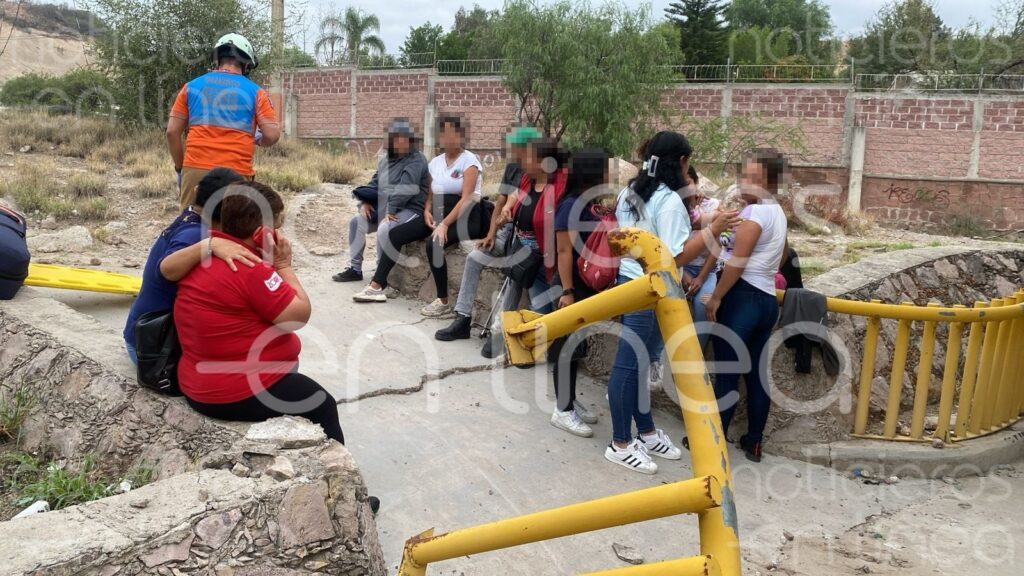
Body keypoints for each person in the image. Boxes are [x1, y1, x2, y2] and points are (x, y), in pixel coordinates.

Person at [605, 131, 736, 475]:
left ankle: (645, 431)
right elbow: (674, 257)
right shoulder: (670, 201)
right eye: (688, 161)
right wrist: (714, 229)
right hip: (649, 288)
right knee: (630, 364)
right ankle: (620, 442)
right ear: (680, 163)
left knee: (641, 362)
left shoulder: (630, 192)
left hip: (631, 283)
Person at [173, 181, 344, 444]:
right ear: (260, 233)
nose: (280, 232)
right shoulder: (250, 269)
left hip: (199, 380)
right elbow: (298, 316)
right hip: (232, 392)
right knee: (323, 405)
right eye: (276, 226)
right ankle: (340, 478)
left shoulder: (201, 254)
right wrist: (283, 265)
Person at [705, 149, 790, 463]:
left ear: (770, 182)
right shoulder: (777, 213)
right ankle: (754, 442)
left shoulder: (754, 215)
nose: (745, 181)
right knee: (755, 375)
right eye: (744, 174)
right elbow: (783, 255)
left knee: (727, 372)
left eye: (754, 177)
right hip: (766, 300)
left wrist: (716, 297)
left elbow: (737, 261)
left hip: (742, 298)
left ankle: (714, 442)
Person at [123, 168, 259, 364]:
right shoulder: (195, 234)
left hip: (144, 337)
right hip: (154, 351)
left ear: (196, 191)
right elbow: (166, 269)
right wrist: (210, 244)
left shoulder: (189, 216)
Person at [434, 126, 541, 346]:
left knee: (514, 273)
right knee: (474, 257)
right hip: (506, 231)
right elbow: (501, 202)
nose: (511, 152)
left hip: (528, 239)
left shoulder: (540, 172)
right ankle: (462, 318)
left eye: (516, 148)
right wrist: (491, 234)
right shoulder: (513, 168)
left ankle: (499, 332)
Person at [167, 34, 280, 208]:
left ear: (217, 60)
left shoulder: (191, 87)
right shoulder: (257, 92)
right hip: (237, 173)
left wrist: (181, 168)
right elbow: (272, 135)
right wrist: (259, 139)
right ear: (247, 64)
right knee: (232, 231)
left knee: (191, 229)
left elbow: (172, 132)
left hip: (196, 169)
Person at [548, 148, 610, 437]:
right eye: (606, 170)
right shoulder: (570, 206)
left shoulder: (587, 205)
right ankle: (562, 410)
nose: (609, 176)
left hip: (582, 287)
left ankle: (569, 400)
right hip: (569, 287)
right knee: (566, 347)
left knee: (576, 347)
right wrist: (568, 290)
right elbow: (563, 251)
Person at [334, 120, 431, 283]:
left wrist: (390, 210)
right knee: (356, 223)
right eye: (396, 138)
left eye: (404, 138)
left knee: (384, 228)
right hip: (386, 206)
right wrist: (365, 201)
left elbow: (406, 188)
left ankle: (380, 277)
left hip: (411, 208)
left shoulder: (417, 159)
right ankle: (355, 269)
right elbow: (375, 182)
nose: (400, 141)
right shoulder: (386, 160)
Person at [419, 115, 483, 318]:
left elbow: (466, 199)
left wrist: (444, 225)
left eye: (452, 133)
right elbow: (430, 192)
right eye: (443, 133)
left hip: (470, 217)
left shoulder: (470, 161)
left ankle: (443, 301)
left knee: (433, 243)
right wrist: (426, 209)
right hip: (443, 212)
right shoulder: (436, 162)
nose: (448, 138)